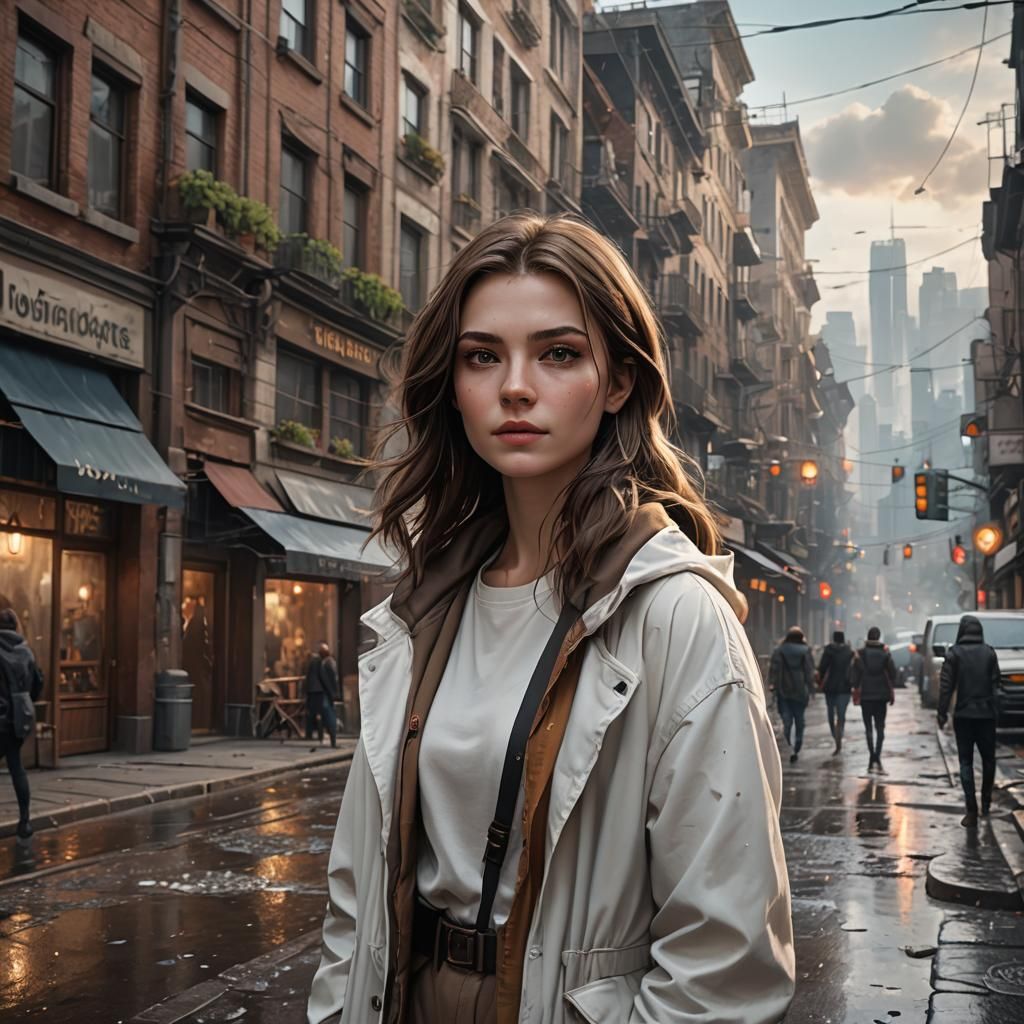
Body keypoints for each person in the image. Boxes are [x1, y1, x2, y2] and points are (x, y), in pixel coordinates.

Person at [306, 214, 794, 1024]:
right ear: (452, 384)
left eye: (558, 353)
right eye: (482, 356)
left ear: (617, 382)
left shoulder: (676, 616)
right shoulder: (420, 612)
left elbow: (724, 967)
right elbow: (353, 900)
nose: (515, 386)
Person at [937, 615, 1001, 828]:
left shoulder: (954, 654)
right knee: (988, 760)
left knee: (966, 762)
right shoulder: (989, 653)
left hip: (963, 716)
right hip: (986, 716)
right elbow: (996, 686)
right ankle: (986, 803)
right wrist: (996, 711)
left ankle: (971, 810)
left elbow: (946, 686)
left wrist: (942, 712)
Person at [0, 608, 44, 839]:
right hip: (18, 718)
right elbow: (36, 686)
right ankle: (24, 821)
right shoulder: (26, 651)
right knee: (17, 767)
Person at [852, 626, 897, 774]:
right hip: (881, 695)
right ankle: (877, 755)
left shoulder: (861, 654)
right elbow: (893, 673)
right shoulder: (884, 654)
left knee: (868, 728)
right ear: (878, 637)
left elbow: (855, 674)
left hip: (866, 695)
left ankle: (872, 756)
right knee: (880, 727)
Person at [769, 627, 814, 764]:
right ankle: (797, 745)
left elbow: (774, 669)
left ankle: (789, 743)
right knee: (800, 719)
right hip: (800, 691)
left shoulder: (779, 651)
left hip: (784, 689)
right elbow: (809, 672)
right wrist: (811, 689)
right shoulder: (806, 651)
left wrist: (773, 684)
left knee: (786, 719)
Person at [817, 630, 855, 756]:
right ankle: (840, 734)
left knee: (830, 713)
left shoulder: (829, 651)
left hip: (831, 687)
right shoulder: (849, 652)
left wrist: (820, 680)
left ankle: (835, 735)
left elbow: (822, 668)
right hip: (845, 687)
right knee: (841, 715)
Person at [304, 642, 339, 748]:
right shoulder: (321, 662)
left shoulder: (313, 661)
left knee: (316, 715)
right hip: (320, 692)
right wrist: (332, 693)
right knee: (328, 714)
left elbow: (308, 678)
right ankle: (332, 740)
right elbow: (324, 678)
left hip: (313, 692)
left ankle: (315, 736)